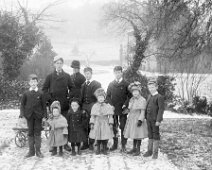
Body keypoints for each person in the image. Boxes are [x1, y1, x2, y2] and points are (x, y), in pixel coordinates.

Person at [42, 56, 74, 151]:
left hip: (64, 105)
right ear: (54, 64)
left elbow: (72, 88)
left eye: (60, 63)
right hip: (53, 105)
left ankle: (65, 144)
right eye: (57, 63)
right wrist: (50, 99)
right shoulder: (50, 76)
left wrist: (68, 98)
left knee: (64, 124)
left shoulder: (67, 76)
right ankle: (53, 144)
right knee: (53, 126)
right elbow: (44, 89)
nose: (59, 65)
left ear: (62, 64)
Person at [19, 74, 46, 158]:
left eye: (35, 81)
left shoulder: (41, 93)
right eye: (32, 81)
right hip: (29, 116)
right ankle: (31, 151)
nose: (33, 83)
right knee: (30, 133)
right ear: (29, 83)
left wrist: (44, 116)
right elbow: (22, 105)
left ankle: (38, 151)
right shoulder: (26, 93)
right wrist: (22, 115)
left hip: (38, 117)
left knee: (37, 133)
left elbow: (44, 106)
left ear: (37, 83)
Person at [106, 66, 130, 152]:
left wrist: (125, 104)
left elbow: (129, 96)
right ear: (114, 73)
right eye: (115, 72)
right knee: (114, 127)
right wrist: (111, 104)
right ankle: (115, 144)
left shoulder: (126, 84)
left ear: (121, 73)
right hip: (114, 109)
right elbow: (107, 96)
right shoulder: (111, 84)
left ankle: (123, 145)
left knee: (123, 126)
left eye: (119, 72)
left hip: (123, 110)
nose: (117, 74)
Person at [124, 82, 148, 156]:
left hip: (138, 118)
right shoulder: (132, 99)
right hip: (132, 118)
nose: (135, 93)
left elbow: (143, 111)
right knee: (134, 134)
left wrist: (140, 120)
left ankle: (138, 150)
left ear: (139, 92)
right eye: (133, 92)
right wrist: (126, 110)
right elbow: (130, 108)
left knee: (138, 134)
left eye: (136, 91)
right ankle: (134, 148)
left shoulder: (142, 100)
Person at [80, 67, 101, 150]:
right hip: (84, 107)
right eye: (85, 73)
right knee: (84, 125)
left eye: (88, 73)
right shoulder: (83, 85)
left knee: (92, 125)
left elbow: (99, 97)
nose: (87, 75)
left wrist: (97, 106)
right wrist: (81, 107)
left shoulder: (96, 84)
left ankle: (92, 143)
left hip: (93, 106)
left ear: (91, 74)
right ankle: (85, 143)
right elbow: (81, 97)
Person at [143, 79, 165, 159]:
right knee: (150, 135)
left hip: (155, 120)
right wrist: (145, 117)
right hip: (148, 119)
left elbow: (161, 109)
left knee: (155, 135)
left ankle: (155, 153)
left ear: (156, 87)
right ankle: (149, 151)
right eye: (149, 87)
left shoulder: (159, 97)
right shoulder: (149, 96)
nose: (151, 89)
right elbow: (147, 107)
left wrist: (158, 120)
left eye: (153, 87)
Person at [89, 88, 114, 155]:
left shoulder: (107, 106)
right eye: (99, 97)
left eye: (102, 97)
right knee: (98, 137)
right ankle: (98, 149)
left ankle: (104, 148)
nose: (100, 99)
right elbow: (92, 116)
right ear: (97, 98)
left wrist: (111, 123)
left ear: (104, 98)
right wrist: (92, 123)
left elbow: (110, 116)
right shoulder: (94, 106)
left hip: (105, 123)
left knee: (104, 136)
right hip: (97, 123)